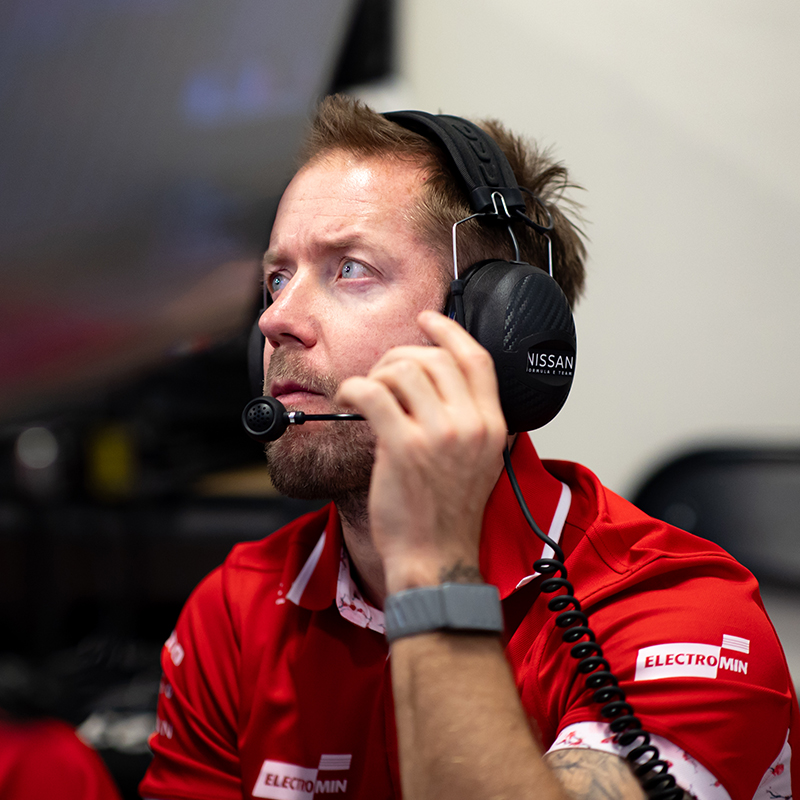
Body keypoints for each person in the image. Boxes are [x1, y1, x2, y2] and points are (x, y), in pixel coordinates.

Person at [140, 95, 798, 800]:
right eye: (278, 276)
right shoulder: (237, 611)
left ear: (492, 331)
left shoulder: (686, 619)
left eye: (350, 269)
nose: (276, 319)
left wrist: (430, 567)